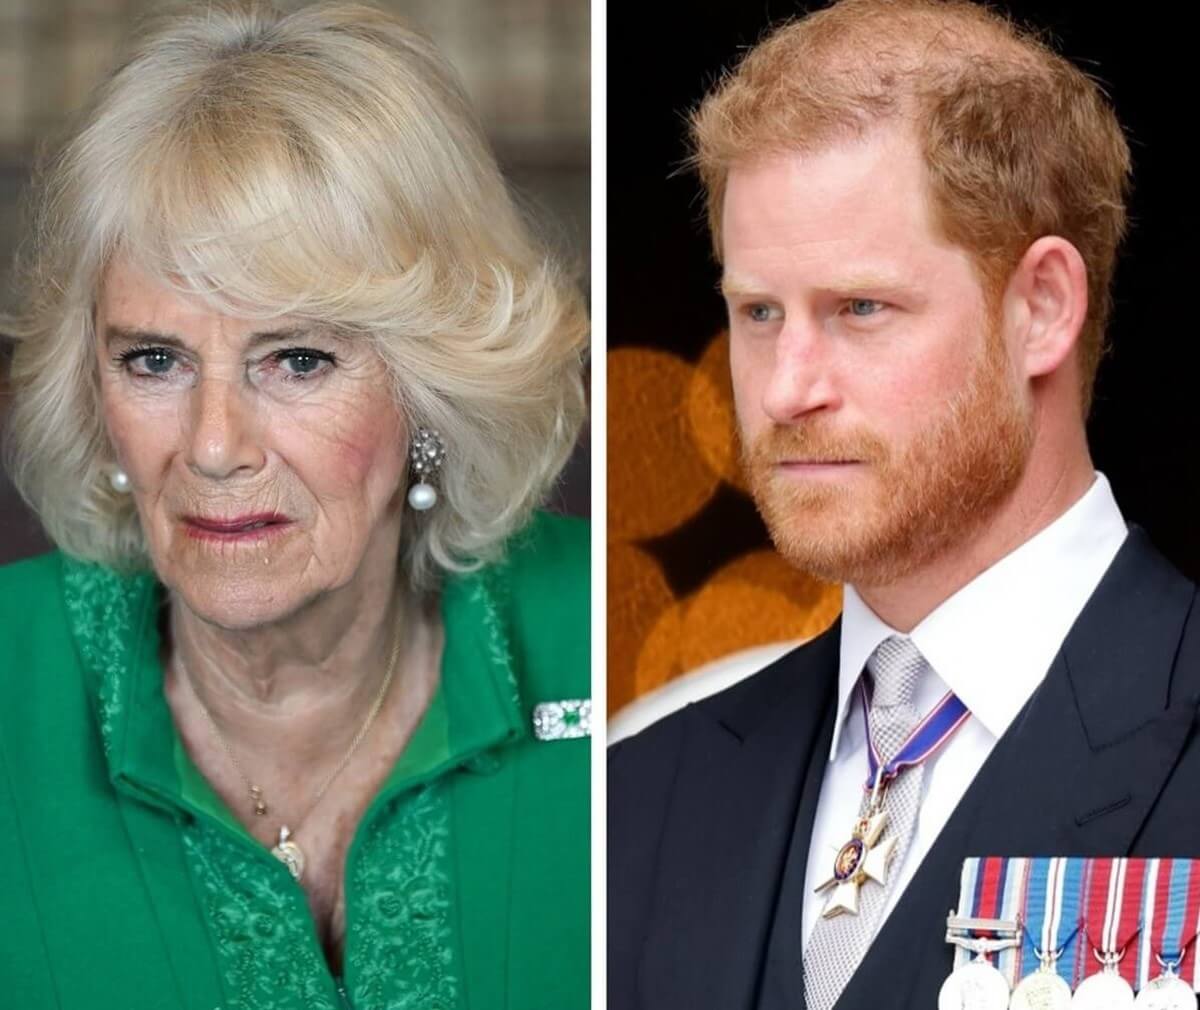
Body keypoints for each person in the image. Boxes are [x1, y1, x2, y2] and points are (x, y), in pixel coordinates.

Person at [608, 1, 1200, 1008]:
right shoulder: (639, 794)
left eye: (861, 308)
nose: (786, 389)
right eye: (759, 311)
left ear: (1042, 307)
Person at [0, 3, 589, 1008]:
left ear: (431, 387)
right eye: (155, 360)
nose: (214, 445)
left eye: (298, 359)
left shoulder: (611, 644)